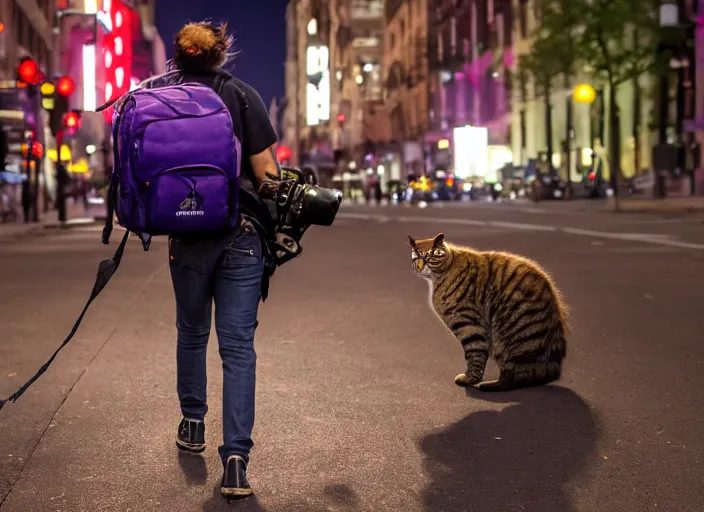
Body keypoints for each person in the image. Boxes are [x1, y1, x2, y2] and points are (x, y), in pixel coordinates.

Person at [153, 21, 281, 499]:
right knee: (237, 347)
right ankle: (235, 460)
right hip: (241, 235)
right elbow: (267, 175)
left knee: (191, 331)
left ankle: (192, 422)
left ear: (179, 57)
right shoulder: (243, 95)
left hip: (186, 236)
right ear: (221, 54)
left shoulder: (162, 97)